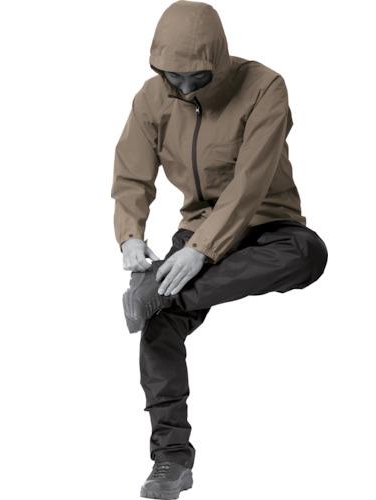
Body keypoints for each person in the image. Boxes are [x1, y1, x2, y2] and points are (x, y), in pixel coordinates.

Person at [110, 1, 328, 498]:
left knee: (309, 255)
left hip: (268, 221)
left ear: (220, 62)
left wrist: (200, 254)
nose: (185, 88)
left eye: (197, 78)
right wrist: (130, 235)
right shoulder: (151, 98)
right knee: (159, 330)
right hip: (198, 227)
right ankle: (170, 459)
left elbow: (251, 182)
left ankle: (164, 292)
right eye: (174, 78)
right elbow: (131, 173)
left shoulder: (265, 86)